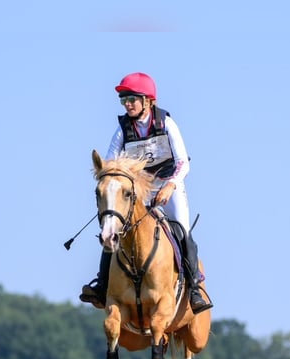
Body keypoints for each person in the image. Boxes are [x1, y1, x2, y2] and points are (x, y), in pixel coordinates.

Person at [79, 72, 213, 314]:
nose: (127, 104)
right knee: (113, 230)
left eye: (132, 99)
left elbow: (183, 161)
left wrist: (170, 185)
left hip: (170, 185)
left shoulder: (166, 124)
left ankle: (194, 287)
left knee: (182, 230)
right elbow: (111, 164)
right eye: (124, 100)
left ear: (148, 101)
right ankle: (102, 283)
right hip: (140, 190)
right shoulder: (122, 131)